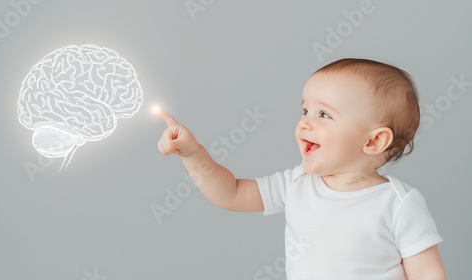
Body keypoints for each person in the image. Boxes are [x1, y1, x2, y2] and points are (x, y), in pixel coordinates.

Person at [156, 58, 447, 280]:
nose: (304, 122)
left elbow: (428, 274)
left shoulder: (398, 204)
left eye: (324, 114)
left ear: (374, 140)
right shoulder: (299, 182)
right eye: (305, 110)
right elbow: (231, 193)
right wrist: (193, 154)